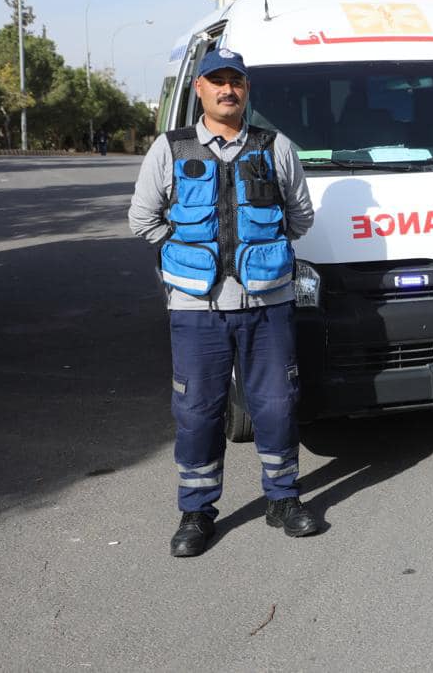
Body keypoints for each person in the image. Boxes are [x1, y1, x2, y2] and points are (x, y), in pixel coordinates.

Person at [128, 47, 318, 557]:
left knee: (277, 406)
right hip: (197, 309)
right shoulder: (171, 149)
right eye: (217, 81)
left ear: (246, 89)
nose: (227, 90)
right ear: (200, 89)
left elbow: (300, 216)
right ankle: (197, 511)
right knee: (197, 411)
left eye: (236, 81)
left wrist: (260, 258)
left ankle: (283, 499)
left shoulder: (275, 147)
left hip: (268, 305)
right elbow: (143, 218)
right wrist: (189, 256)